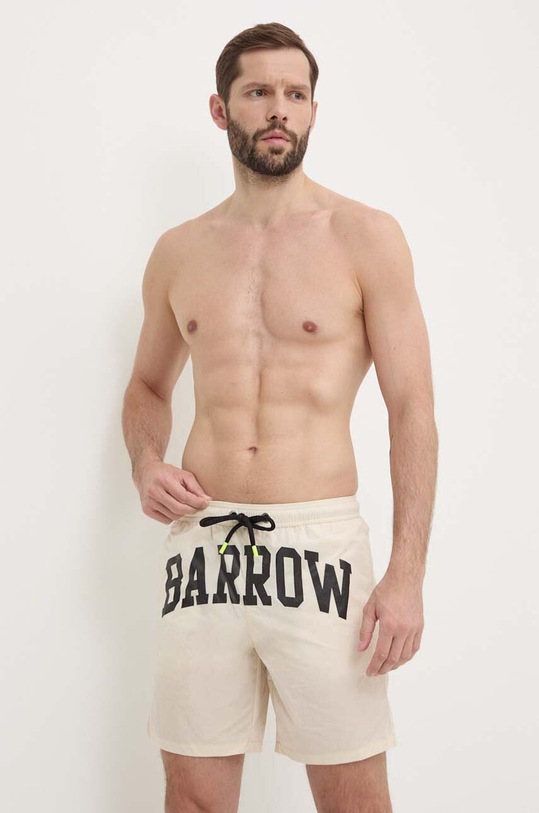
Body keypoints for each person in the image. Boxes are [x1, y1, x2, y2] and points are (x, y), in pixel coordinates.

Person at [122, 21, 438, 813]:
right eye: (258, 91)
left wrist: (405, 573)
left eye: (295, 94)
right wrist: (146, 463)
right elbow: (147, 388)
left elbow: (411, 408)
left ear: (312, 112)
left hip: (319, 546)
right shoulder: (178, 251)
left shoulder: (365, 237)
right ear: (219, 108)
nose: (277, 109)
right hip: (202, 548)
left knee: (353, 798)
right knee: (193, 797)